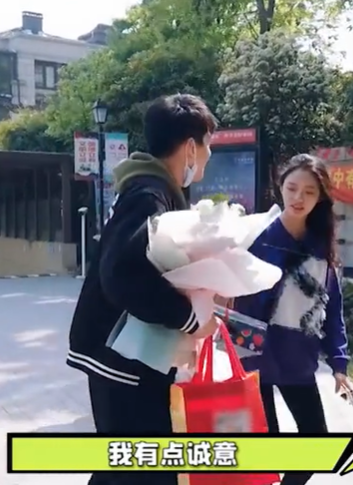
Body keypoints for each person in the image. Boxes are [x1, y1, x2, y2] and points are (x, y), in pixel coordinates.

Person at [66, 94, 220, 485]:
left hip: (125, 354)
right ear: (190, 147)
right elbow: (122, 273)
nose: (208, 156)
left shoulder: (149, 188)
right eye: (207, 146)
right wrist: (190, 318)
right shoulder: (149, 195)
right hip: (122, 357)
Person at [233, 153, 353, 485]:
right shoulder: (254, 237)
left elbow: (332, 310)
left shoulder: (321, 249)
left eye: (309, 192)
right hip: (253, 358)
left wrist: (339, 363)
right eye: (292, 188)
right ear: (281, 187)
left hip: (297, 360)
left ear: (320, 198)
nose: (299, 198)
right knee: (265, 458)